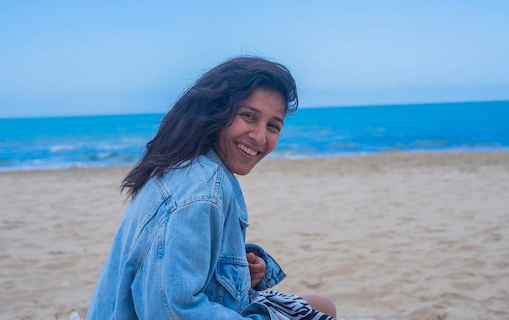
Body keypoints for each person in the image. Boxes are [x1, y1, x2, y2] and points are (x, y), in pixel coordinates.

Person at [86, 56, 337, 320]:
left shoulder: (186, 166)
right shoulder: (200, 190)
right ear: (216, 111)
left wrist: (242, 269)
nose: (260, 137)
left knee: (321, 305)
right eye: (249, 116)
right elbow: (171, 311)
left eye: (273, 125)